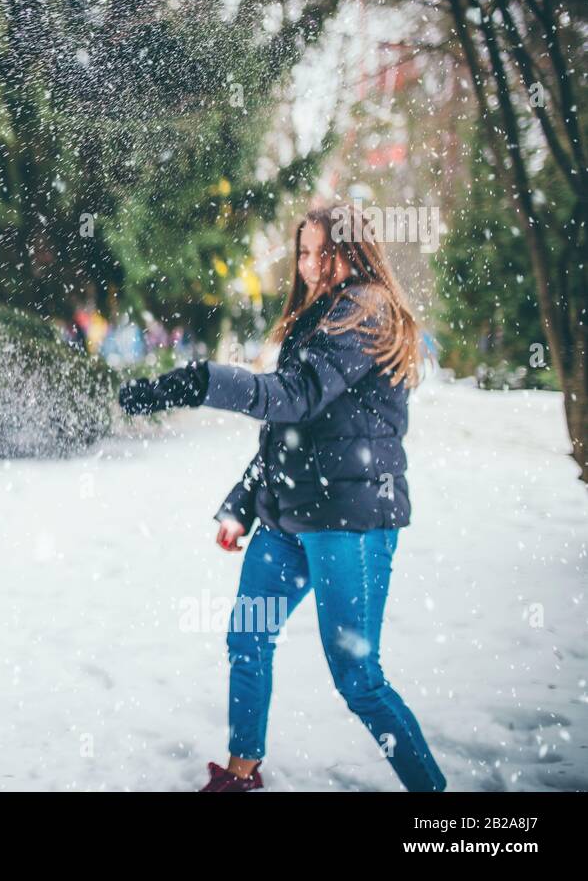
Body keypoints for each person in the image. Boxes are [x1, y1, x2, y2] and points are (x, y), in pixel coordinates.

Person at [119, 204, 446, 793]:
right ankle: (242, 773)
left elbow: (294, 397)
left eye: (328, 251)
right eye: (305, 251)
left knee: (357, 677)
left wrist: (201, 382)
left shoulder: (366, 310)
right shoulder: (316, 316)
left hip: (350, 520)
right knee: (248, 637)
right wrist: (242, 502)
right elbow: (293, 431)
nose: (314, 263)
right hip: (290, 518)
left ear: (357, 250)